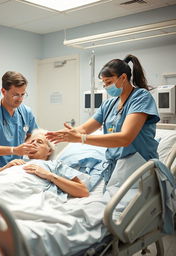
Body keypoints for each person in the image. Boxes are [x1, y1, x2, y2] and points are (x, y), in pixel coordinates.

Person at [46, 54, 160, 183]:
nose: (106, 87)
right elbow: (84, 129)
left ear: (123, 77)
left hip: (139, 168)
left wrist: (80, 138)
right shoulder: (109, 104)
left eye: (109, 82)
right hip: (116, 169)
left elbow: (125, 138)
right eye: (104, 83)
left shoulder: (140, 97)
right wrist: (66, 134)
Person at [0, 128, 89, 198]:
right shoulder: (17, 162)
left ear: (49, 150)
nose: (34, 143)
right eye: (31, 142)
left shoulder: (54, 165)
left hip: (20, 192)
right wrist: (6, 167)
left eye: (39, 142)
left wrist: (49, 176)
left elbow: (83, 191)